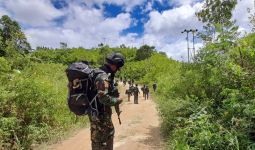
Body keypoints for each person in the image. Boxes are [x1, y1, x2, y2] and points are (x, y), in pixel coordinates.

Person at [89, 52, 125, 150]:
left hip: (96, 112)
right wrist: (118, 100)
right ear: (113, 65)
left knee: (98, 137)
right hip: (100, 114)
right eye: (117, 67)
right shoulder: (103, 76)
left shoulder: (99, 72)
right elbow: (103, 98)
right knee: (102, 139)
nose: (117, 70)